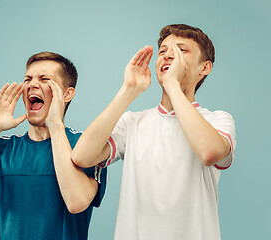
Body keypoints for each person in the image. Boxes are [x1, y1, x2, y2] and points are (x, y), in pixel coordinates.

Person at [72, 24, 236, 240]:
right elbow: (81, 156)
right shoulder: (132, 123)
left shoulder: (217, 120)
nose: (169, 56)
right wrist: (128, 90)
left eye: (181, 50)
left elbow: (210, 153)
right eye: (163, 51)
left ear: (205, 68)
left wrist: (172, 85)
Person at [0, 51, 106, 240]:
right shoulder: (2, 151)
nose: (32, 84)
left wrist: (55, 126)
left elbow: (76, 202)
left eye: (44, 79)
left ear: (67, 94)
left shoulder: (85, 147)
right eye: (28, 79)